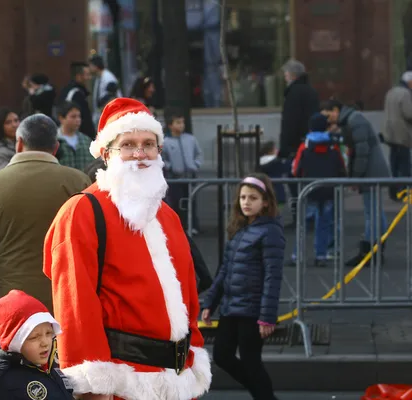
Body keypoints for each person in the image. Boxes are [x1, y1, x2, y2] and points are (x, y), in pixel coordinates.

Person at [43, 98, 211, 400]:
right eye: (128, 144)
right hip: (123, 382)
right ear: (107, 153)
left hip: (178, 380)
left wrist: (194, 354)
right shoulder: (82, 211)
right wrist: (92, 383)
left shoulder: (166, 215)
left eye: (149, 144)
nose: (140, 154)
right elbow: (74, 304)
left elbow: (187, 295)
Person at [0, 114, 91, 311]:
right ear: (56, 147)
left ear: (19, 143)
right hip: (68, 295)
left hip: (13, 297)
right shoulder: (80, 182)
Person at [201, 173, 284, 400]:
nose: (246, 202)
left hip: (252, 310)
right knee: (222, 355)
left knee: (251, 361)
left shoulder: (270, 232)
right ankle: (263, 393)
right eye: (243, 197)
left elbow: (272, 277)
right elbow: (224, 271)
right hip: (230, 307)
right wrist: (210, 303)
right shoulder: (239, 230)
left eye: (253, 198)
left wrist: (267, 317)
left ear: (265, 202)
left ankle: (264, 395)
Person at [321, 99, 391, 266]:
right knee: (374, 211)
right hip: (371, 171)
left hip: (370, 172)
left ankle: (371, 251)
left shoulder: (354, 120)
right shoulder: (352, 120)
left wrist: (356, 177)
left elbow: (360, 152)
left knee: (371, 212)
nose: (328, 120)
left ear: (336, 110)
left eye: (329, 115)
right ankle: (374, 248)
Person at [0, 290, 74, 400]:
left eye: (48, 333)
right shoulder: (2, 383)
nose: (45, 343)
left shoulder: (52, 365)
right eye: (34, 337)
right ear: (14, 342)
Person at [291, 113, 347, 266]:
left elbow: (296, 169)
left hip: (309, 190)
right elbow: (342, 167)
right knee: (324, 224)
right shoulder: (333, 145)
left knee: (302, 225)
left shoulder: (305, 145)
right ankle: (320, 255)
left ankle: (298, 255)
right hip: (328, 190)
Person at [279, 60, 320, 226]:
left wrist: (284, 147)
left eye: (286, 74)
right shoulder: (311, 91)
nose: (284, 77)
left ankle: (299, 217)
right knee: (307, 181)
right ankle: (310, 215)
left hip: (295, 145)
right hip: (309, 142)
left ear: (292, 75)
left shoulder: (293, 93)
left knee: (294, 181)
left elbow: (290, 122)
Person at [161, 108, 202, 232]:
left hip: (190, 175)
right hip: (175, 177)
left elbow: (198, 154)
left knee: (191, 200)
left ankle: (193, 225)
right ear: (170, 125)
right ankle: (180, 226)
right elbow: (162, 158)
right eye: (178, 123)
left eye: (182, 122)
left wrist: (196, 164)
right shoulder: (166, 142)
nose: (181, 125)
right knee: (176, 202)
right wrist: (170, 167)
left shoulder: (190, 139)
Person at [383, 71, 412, 201]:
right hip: (402, 134)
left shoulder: (391, 91)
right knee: (404, 165)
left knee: (394, 164)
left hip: (390, 134)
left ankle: (393, 191)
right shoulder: (405, 94)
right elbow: (409, 114)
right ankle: (404, 191)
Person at [58, 62, 96, 139]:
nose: (89, 78)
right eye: (87, 75)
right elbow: (85, 119)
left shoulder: (76, 91)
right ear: (79, 76)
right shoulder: (75, 93)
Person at [56, 101, 93, 171]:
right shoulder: (54, 140)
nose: (78, 120)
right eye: (73, 117)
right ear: (61, 118)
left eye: (79, 116)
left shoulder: (86, 141)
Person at [89, 55, 121, 125]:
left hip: (110, 114)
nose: (89, 68)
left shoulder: (108, 77)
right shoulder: (98, 78)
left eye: (91, 65)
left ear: (96, 66)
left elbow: (112, 97)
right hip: (101, 114)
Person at [258, 141, 289, 210]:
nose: (277, 150)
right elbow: (288, 168)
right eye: (275, 149)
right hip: (278, 194)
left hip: (263, 194)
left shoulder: (258, 163)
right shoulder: (277, 162)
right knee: (276, 215)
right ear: (271, 151)